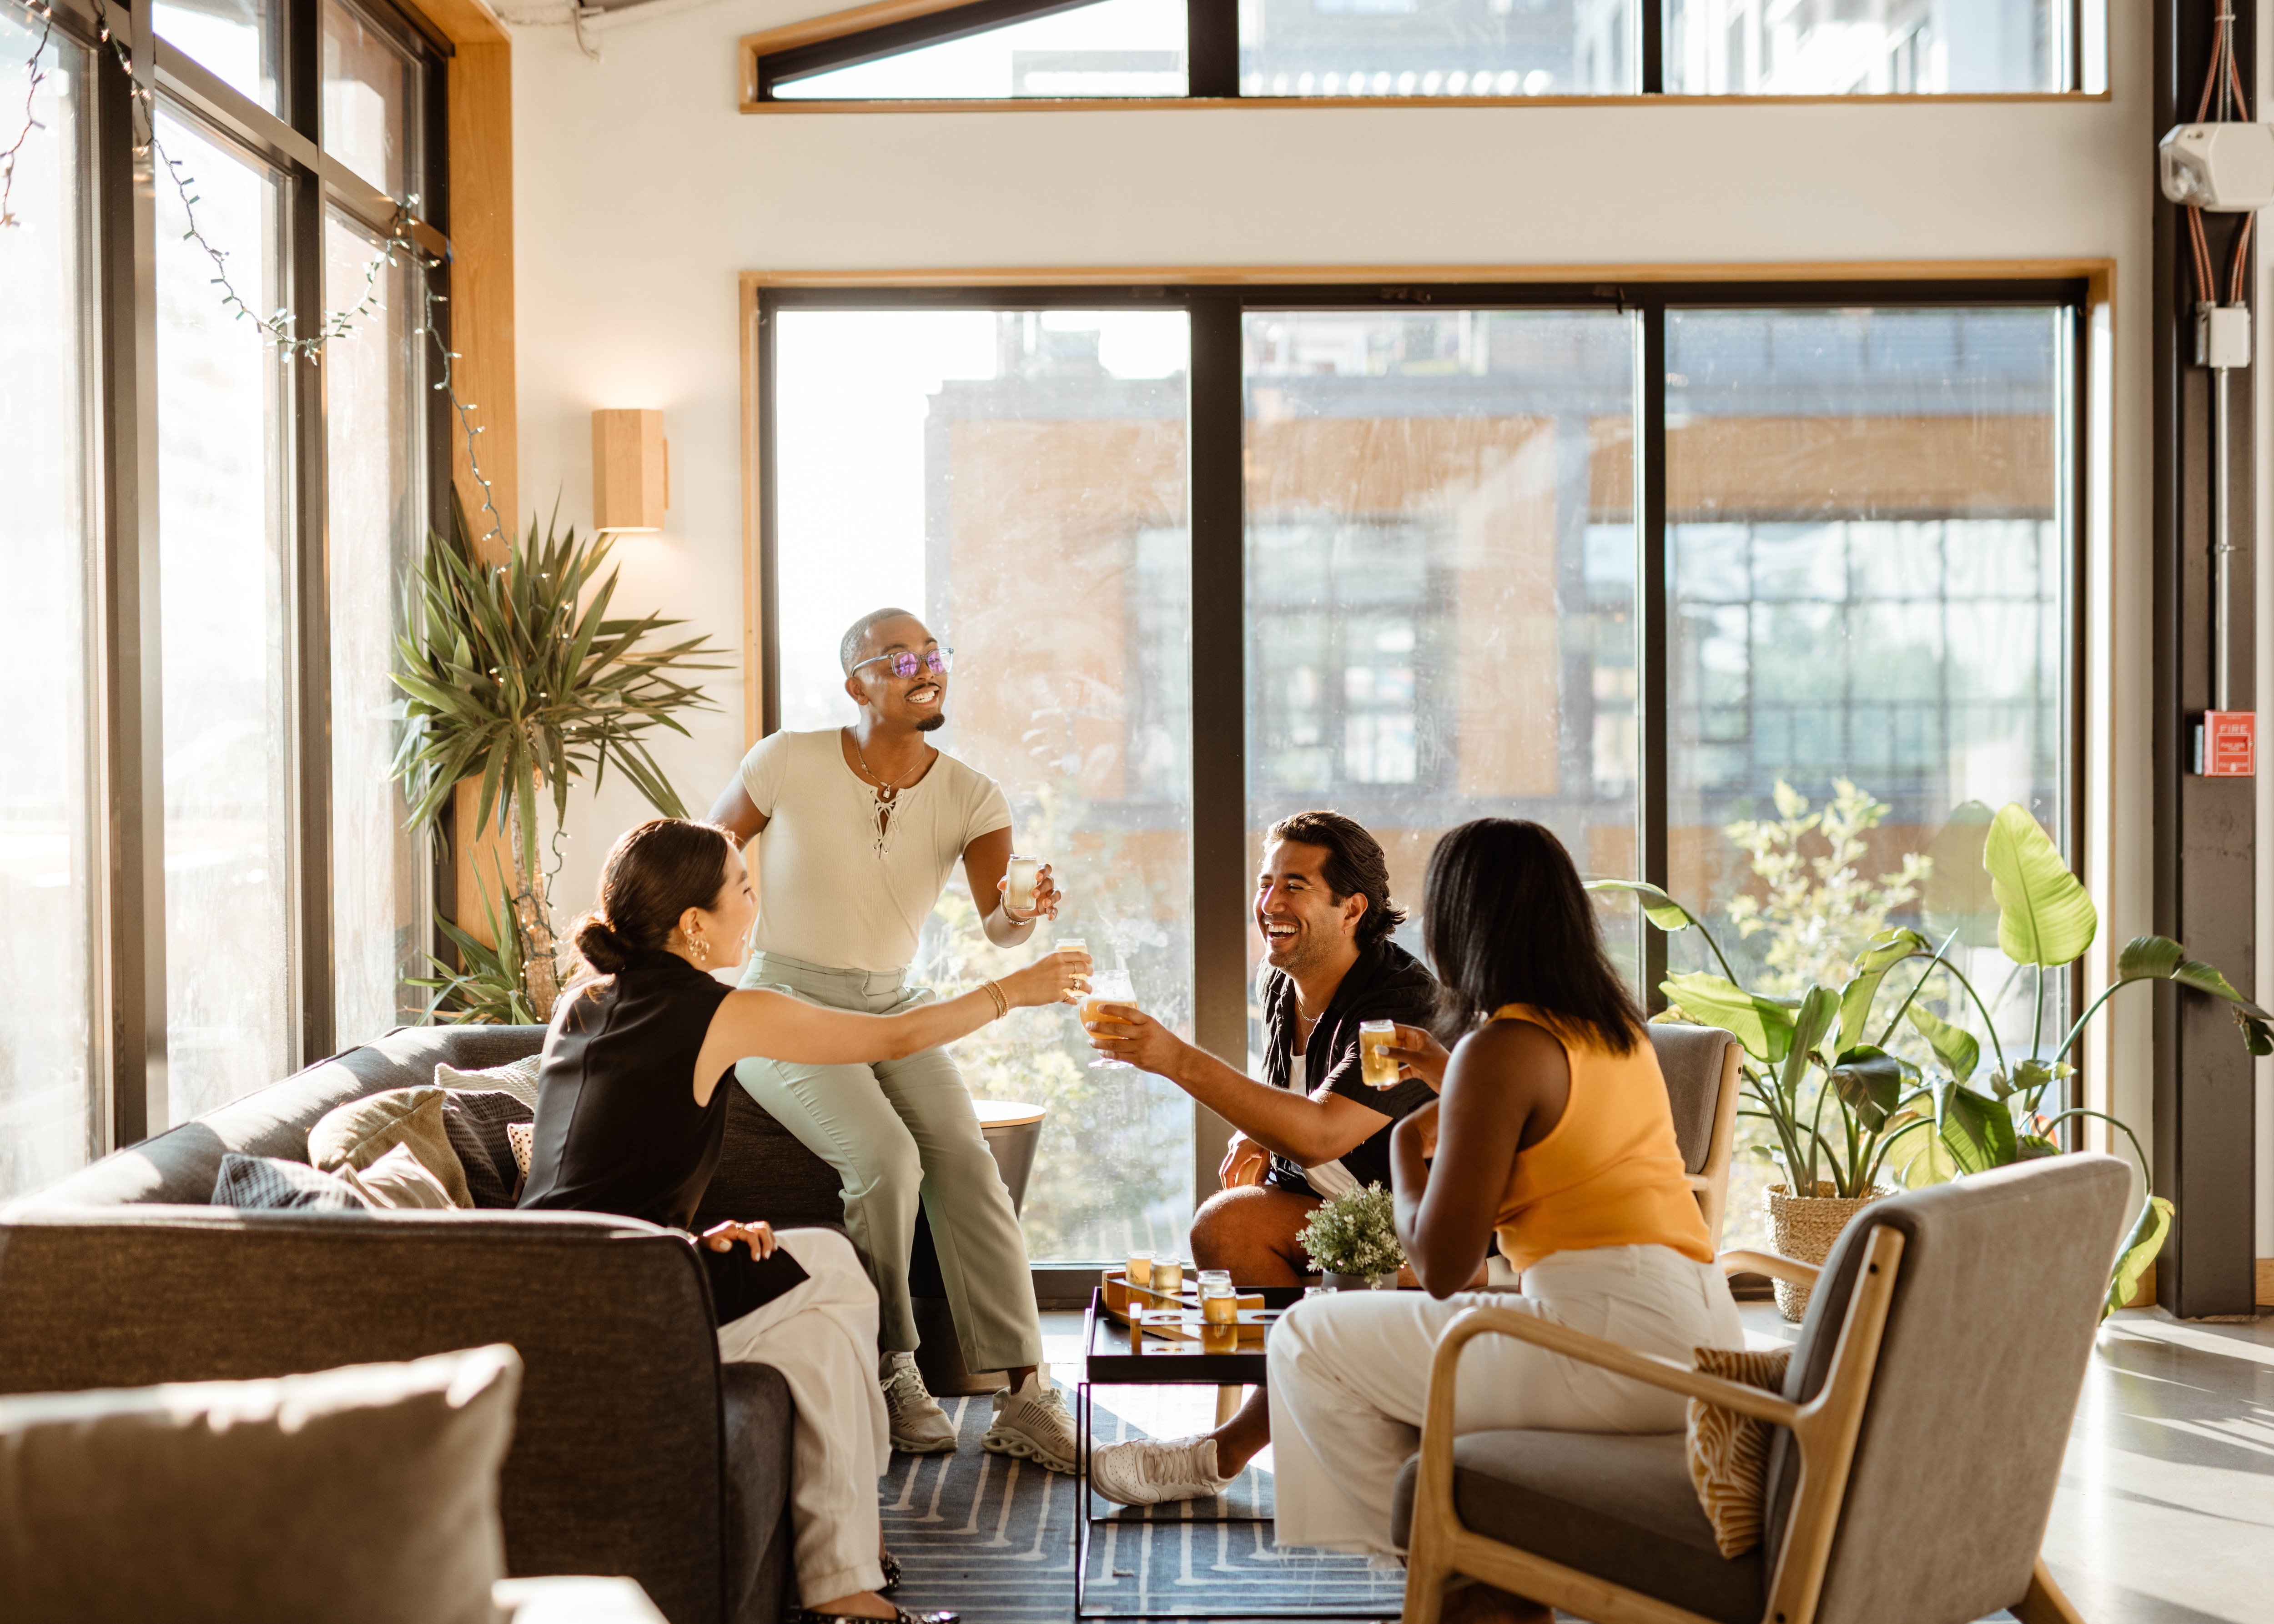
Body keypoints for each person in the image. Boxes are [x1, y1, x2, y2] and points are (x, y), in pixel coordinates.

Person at [520, 818, 1087, 1624]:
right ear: (693, 926)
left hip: (559, 1275)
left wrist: (687, 1239)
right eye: (743, 891)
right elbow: (891, 1035)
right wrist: (1013, 991)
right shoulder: (719, 1013)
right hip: (626, 1298)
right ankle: (845, 1578)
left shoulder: (583, 1003)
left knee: (830, 1268)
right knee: (831, 1309)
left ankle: (847, 1577)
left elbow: (584, 1176)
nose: (756, 905)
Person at [1265, 819, 1743, 1624]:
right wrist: (1454, 1087)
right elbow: (1553, 1129)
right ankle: (1480, 1562)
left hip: (1608, 1349)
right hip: (1701, 1336)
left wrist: (1413, 1143)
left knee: (1308, 1340)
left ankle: (1450, 1562)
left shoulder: (1502, 1047)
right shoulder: (1612, 1027)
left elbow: (1444, 1267)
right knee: (1382, 1344)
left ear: (1463, 922)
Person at [705, 607, 1079, 1471]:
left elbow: (1003, 930)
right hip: (781, 997)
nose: (927, 668)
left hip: (893, 1003)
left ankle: (1024, 1394)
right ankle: (892, 1367)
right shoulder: (786, 759)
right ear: (857, 684)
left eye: (936, 653)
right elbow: (702, 854)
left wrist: (1022, 909)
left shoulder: (974, 795)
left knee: (962, 1152)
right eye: (901, 657)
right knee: (884, 1157)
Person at [1078, 809, 1441, 1505]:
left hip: (1424, 1225)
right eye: (1266, 882)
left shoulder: (1401, 1001)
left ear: (1352, 908)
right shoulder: (1284, 987)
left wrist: (1175, 1059)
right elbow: (1297, 1103)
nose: (1269, 904)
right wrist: (1258, 1135)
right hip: (1335, 1211)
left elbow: (1323, 1134)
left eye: (1294, 886)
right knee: (1226, 1227)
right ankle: (1335, 1418)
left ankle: (1222, 1453)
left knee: (1309, 1276)